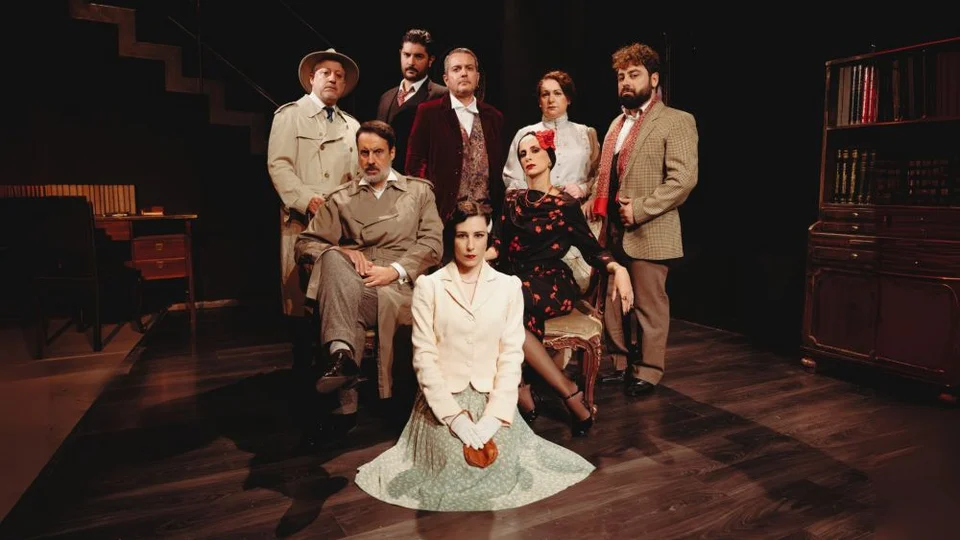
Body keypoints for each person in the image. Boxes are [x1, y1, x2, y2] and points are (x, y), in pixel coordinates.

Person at [354, 200, 595, 511]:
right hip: (444, 398)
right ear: (451, 238)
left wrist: (496, 415)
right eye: (462, 236)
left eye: (478, 236)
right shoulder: (430, 286)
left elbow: (511, 357)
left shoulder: (508, 287)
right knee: (451, 471)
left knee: (499, 468)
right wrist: (453, 417)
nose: (470, 246)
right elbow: (424, 358)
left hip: (490, 395)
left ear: (488, 238)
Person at [294, 120, 443, 443]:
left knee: (340, 302)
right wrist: (344, 253)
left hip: (400, 286)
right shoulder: (341, 198)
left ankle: (343, 404)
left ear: (393, 153)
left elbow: (433, 243)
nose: (371, 161)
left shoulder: (418, 192)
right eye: (364, 153)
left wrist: (396, 270)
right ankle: (342, 355)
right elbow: (306, 244)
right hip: (354, 283)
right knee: (332, 260)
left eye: (378, 152)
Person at [492, 130, 634, 436]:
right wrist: (468, 258)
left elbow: (592, 250)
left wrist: (618, 268)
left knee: (507, 300)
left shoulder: (565, 205)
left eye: (535, 151)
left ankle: (547, 389)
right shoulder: (512, 200)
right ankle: (543, 387)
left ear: (549, 157)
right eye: (523, 153)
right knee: (502, 303)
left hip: (550, 282)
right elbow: (497, 245)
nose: (528, 157)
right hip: (513, 279)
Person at [587, 42, 699, 396]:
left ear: (653, 79)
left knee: (649, 305)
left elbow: (683, 180)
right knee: (613, 302)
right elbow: (605, 174)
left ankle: (649, 370)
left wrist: (640, 208)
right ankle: (622, 364)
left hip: (650, 227)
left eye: (634, 75)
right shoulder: (616, 123)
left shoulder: (676, 121)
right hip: (612, 229)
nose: (626, 82)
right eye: (621, 76)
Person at [266, 48, 362, 438]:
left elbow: (359, 175)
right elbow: (279, 165)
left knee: (337, 302)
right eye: (325, 72)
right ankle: (306, 390)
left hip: (339, 228)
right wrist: (308, 200)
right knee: (303, 311)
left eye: (339, 74)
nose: (333, 79)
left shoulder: (352, 125)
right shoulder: (289, 116)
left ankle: (339, 389)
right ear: (311, 78)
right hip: (302, 222)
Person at [405, 47, 506, 222]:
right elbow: (414, 166)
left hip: (486, 218)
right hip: (442, 218)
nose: (464, 73)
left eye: (469, 68)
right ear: (446, 79)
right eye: (456, 69)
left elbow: (500, 169)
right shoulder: (429, 113)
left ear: (477, 77)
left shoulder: (494, 117)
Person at [502, 70, 600, 206]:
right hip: (535, 209)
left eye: (557, 93)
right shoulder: (525, 134)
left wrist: (582, 189)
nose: (551, 100)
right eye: (545, 94)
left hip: (577, 207)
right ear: (539, 101)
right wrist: (534, 197)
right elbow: (513, 178)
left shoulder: (586, 133)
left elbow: (599, 174)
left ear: (568, 99)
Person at [376, 29, 447, 175]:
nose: (411, 62)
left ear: (430, 60)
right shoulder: (386, 97)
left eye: (418, 56)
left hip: (420, 181)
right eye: (406, 55)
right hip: (385, 180)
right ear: (400, 54)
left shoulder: (442, 96)